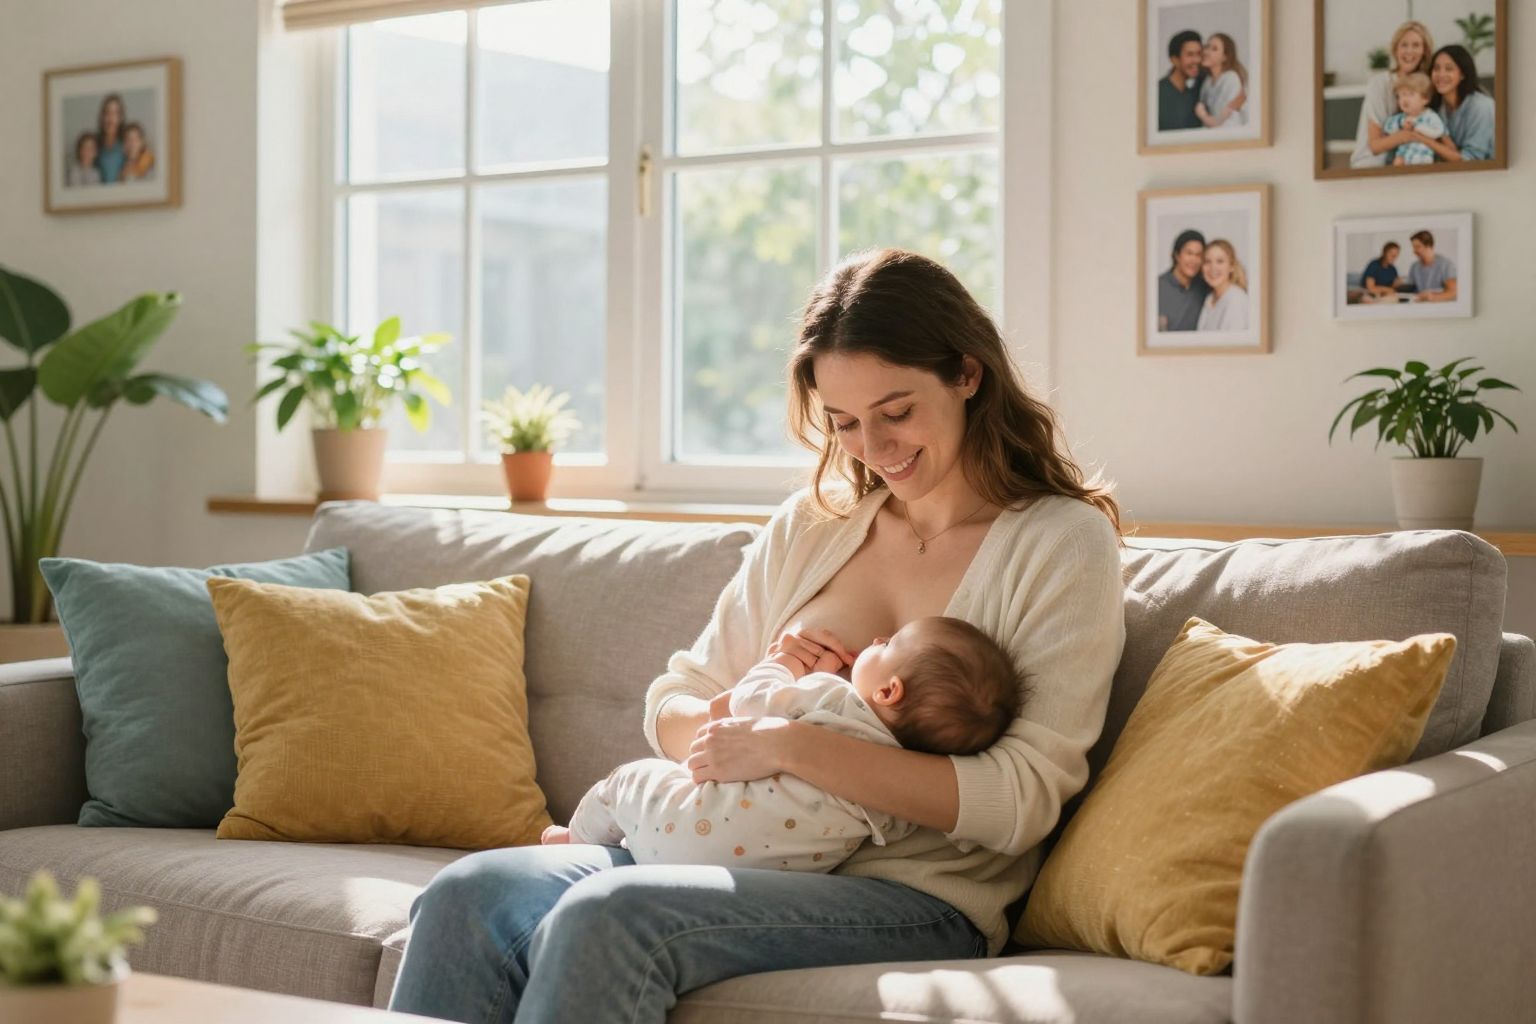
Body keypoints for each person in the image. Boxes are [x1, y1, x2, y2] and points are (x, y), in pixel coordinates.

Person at [386, 247, 1127, 1024]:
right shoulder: (816, 524)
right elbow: (675, 701)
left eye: (897, 412)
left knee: (611, 915)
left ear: (968, 374)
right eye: (844, 424)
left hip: (912, 895)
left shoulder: (1058, 542)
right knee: (467, 894)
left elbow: (1022, 799)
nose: (873, 449)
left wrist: (790, 744)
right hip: (728, 845)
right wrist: (742, 708)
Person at [543, 616, 1022, 873]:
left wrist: (783, 666)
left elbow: (751, 703)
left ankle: (576, 838)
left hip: (687, 830)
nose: (876, 637)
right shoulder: (898, 800)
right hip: (767, 875)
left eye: (887, 643)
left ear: (889, 691)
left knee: (628, 780)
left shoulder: (831, 700)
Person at [1349, 20, 1434, 169]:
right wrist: (1409, 135)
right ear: (1395, 50)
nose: (1409, 51)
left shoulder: (1426, 85)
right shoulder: (1379, 83)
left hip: (1407, 163)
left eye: (1416, 45)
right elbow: (1375, 146)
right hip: (1371, 164)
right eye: (1404, 45)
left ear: (1424, 51)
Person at [1419, 44, 1496, 163]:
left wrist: (1423, 139)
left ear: (1462, 74)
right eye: (1436, 68)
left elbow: (1471, 161)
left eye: (1449, 69)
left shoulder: (1482, 107)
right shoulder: (1436, 108)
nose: (1441, 74)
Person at [1382, 73, 1444, 165]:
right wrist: (1401, 124)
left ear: (1425, 99)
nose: (1405, 99)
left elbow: (1438, 131)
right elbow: (1387, 128)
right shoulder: (1401, 117)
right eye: (1401, 95)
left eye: (1410, 94)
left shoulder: (1430, 116)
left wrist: (1418, 127)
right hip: (1402, 157)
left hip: (1422, 157)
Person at [1158, 229, 1211, 332]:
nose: (1194, 260)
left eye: (1198, 255)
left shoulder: (1205, 285)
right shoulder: (1158, 287)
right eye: (1189, 253)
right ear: (1177, 255)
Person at [1194, 32, 1248, 128]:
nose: (1206, 52)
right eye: (1207, 47)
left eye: (1214, 49)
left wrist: (1202, 115)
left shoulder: (1230, 78)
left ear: (1224, 57)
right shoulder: (1207, 82)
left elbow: (1218, 122)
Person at [1196, 239, 1250, 331]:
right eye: (1207, 262)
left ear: (1231, 266)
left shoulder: (1235, 300)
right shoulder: (1210, 298)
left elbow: (1230, 343)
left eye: (1220, 261)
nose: (1213, 267)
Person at [1159, 29, 1206, 131]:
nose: (1197, 60)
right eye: (1190, 54)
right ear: (1174, 60)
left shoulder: (1197, 91)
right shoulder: (1157, 93)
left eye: (1199, 54)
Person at [1407, 230, 1457, 303]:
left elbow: (1454, 293)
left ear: (1429, 246)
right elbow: (1411, 289)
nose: (1414, 251)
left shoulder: (1446, 265)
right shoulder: (1414, 266)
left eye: (1417, 247)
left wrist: (1432, 297)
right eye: (1413, 247)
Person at [95, 93, 127, 184]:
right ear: (102, 117)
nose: (111, 118)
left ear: (120, 118)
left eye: (115, 113)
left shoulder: (127, 142)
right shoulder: (94, 144)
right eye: (107, 113)